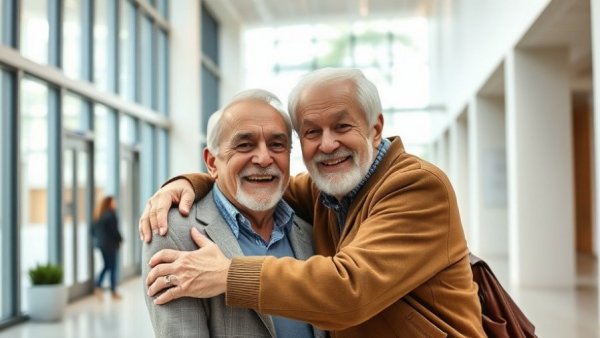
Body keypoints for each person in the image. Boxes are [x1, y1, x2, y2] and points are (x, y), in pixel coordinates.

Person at [142, 68, 485, 337]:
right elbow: (258, 183)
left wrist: (229, 275)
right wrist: (187, 183)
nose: (327, 144)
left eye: (342, 125)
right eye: (311, 132)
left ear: (375, 128)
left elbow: (350, 290)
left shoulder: (417, 187)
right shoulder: (328, 191)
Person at [143, 89, 325, 338]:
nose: (263, 158)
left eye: (277, 145)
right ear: (211, 162)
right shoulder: (173, 233)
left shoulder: (310, 231)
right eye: (244, 145)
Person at [92, 196, 123, 300]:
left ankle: (98, 285)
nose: (116, 203)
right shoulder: (111, 215)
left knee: (106, 266)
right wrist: (120, 239)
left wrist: (100, 239)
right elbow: (114, 231)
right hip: (110, 246)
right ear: (109, 203)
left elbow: (92, 231)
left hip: (101, 245)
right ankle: (113, 292)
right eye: (114, 202)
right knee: (112, 268)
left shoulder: (99, 215)